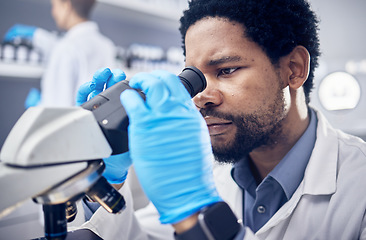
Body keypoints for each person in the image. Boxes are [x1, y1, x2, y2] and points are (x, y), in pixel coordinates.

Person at [74, 0, 366, 239]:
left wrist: (197, 215)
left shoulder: (358, 184)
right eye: (194, 77)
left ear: (293, 68)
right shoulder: (210, 172)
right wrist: (103, 183)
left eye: (226, 70)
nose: (201, 96)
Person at [4, 0, 116, 107]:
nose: (53, 12)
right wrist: (37, 34)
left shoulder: (65, 48)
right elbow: (74, 49)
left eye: (54, 5)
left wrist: (38, 105)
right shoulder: (106, 45)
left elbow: (55, 111)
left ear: (66, 5)